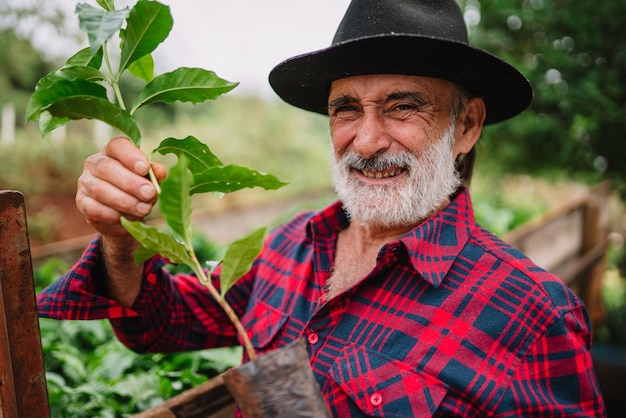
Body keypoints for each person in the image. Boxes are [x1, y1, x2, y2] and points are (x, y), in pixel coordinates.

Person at [38, 0, 606, 416]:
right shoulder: (289, 246)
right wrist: (121, 240)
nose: (365, 141)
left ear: (467, 126)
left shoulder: (532, 315)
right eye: (346, 110)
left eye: (402, 108)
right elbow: (164, 321)